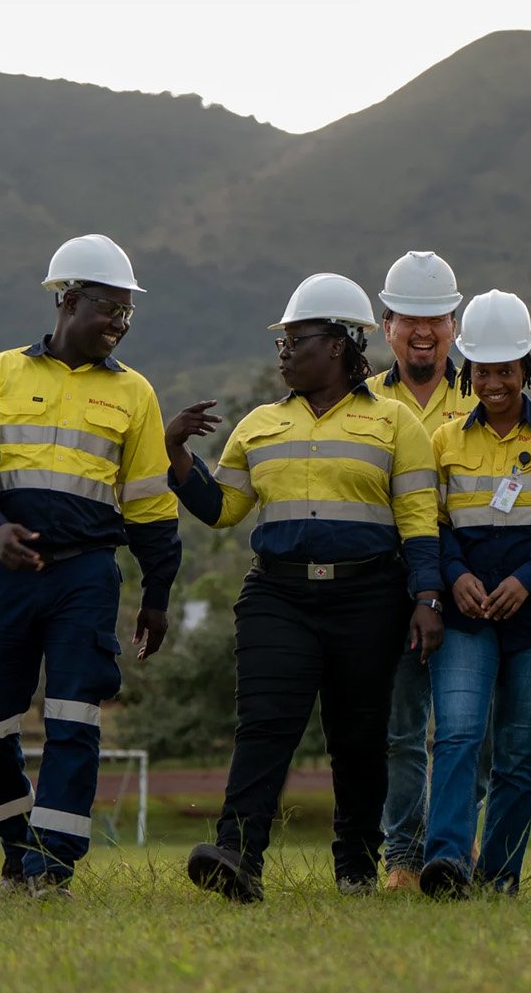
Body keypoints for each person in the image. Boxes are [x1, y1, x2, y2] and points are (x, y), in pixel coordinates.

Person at [165, 272, 444, 903]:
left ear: (342, 345)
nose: (285, 352)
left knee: (358, 737)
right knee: (265, 725)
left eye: (297, 340)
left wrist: (427, 599)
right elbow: (223, 509)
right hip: (278, 598)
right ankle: (237, 856)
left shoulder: (397, 424)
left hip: (370, 597)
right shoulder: (259, 424)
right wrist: (178, 455)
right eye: (282, 343)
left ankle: (355, 867)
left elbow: (420, 522)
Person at [0, 233, 181, 898]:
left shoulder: (135, 394)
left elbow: (151, 506)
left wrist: (157, 594)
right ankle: (17, 843)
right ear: (69, 300)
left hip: (87, 577)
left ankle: (52, 867)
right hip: (9, 575)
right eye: (109, 308)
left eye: (128, 314)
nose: (119, 324)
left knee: (75, 717)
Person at [418, 290, 531, 899]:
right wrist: (457, 576)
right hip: (466, 615)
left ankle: (499, 877)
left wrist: (526, 582)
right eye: (483, 370)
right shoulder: (443, 441)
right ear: (468, 371)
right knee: (459, 734)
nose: (494, 382)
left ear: (527, 370)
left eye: (506, 370)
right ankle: (445, 863)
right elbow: (432, 524)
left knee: (516, 756)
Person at [365, 250, 468, 892]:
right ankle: (401, 859)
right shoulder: (363, 399)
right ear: (386, 325)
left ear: (454, 323)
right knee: (401, 732)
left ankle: (458, 852)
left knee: (466, 731)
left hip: (472, 582)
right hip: (389, 584)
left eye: (436, 317)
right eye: (410, 318)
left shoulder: (487, 388)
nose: (423, 330)